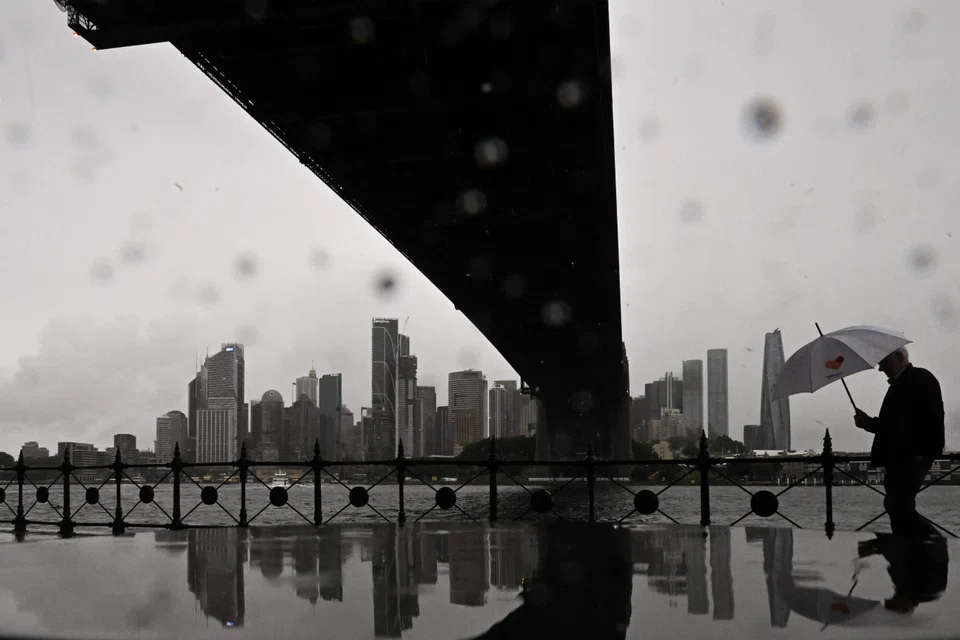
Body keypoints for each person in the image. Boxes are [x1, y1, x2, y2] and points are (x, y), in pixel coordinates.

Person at [853, 346, 944, 536]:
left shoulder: (919, 380)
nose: (880, 368)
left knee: (898, 505)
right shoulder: (904, 383)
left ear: (899, 357)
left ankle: (932, 544)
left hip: (910, 457)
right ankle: (908, 552)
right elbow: (894, 425)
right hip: (900, 458)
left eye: (883, 362)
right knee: (896, 504)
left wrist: (923, 452)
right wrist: (868, 423)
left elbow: (926, 420)